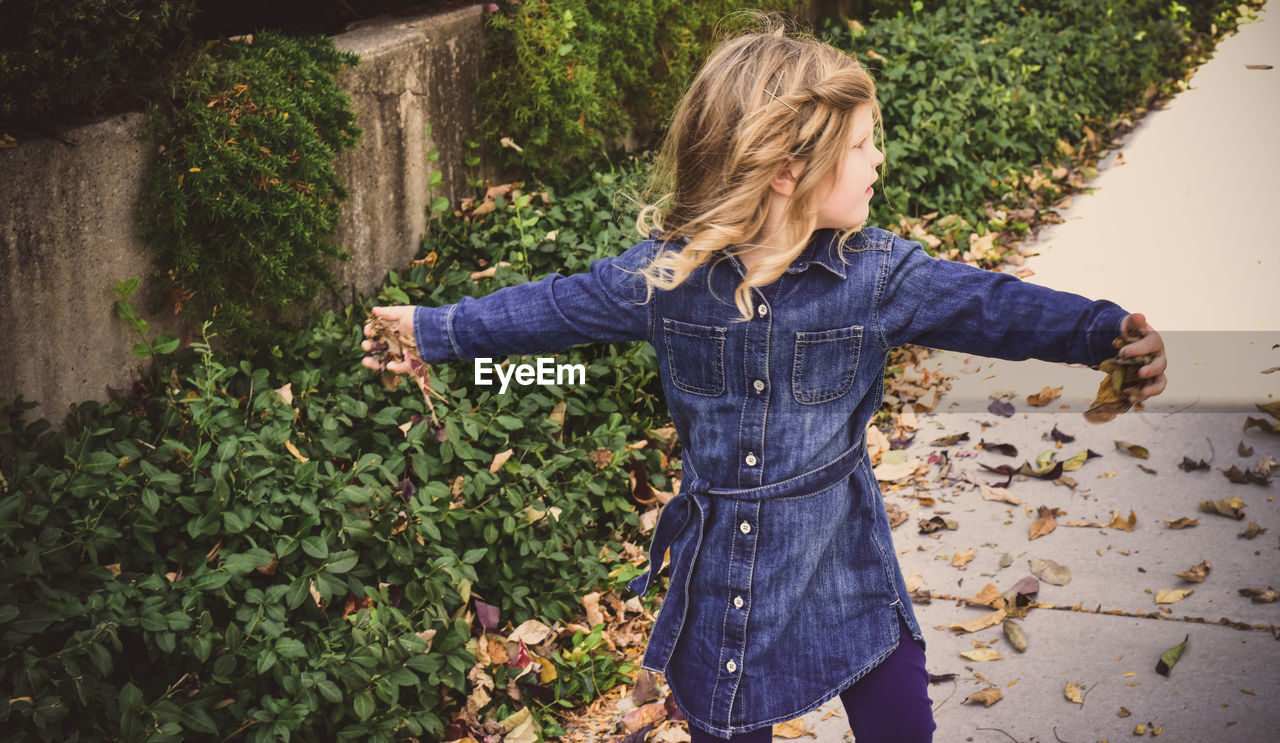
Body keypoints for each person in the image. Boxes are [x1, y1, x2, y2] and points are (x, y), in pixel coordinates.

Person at [361, 17, 1167, 743]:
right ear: (789, 169)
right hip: (725, 573)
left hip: (838, 552)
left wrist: (1103, 333)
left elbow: (993, 305)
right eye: (861, 145)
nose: (879, 157)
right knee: (725, 724)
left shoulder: (877, 277)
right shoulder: (669, 277)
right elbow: (558, 308)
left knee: (901, 723)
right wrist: (434, 330)